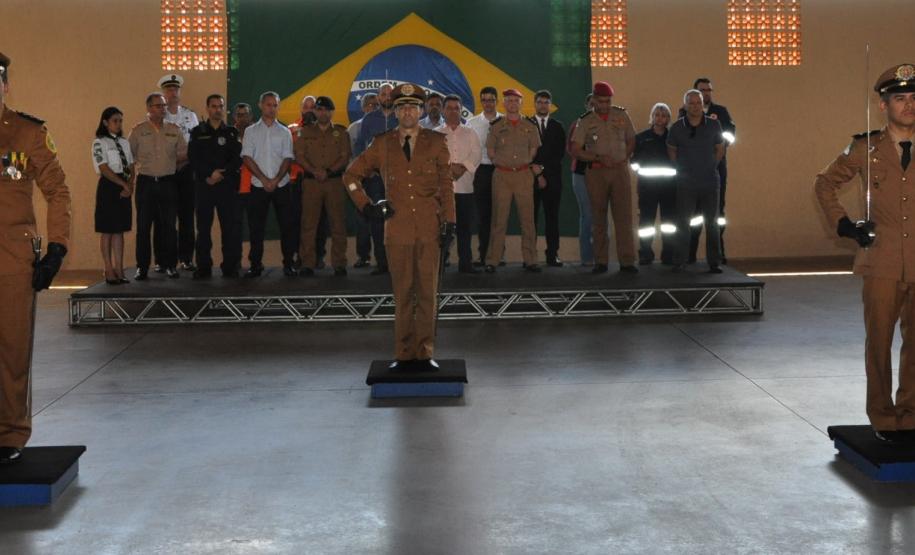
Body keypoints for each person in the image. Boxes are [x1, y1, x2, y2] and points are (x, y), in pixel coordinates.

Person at [814, 63, 915, 442]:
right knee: (879, 342)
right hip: (881, 260)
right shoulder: (865, 148)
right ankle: (884, 417)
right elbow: (824, 183)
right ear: (883, 105)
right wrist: (844, 224)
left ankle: (911, 415)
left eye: (914, 98)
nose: (909, 105)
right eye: (900, 98)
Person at [344, 83, 455, 370]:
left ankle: (425, 353)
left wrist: (450, 222)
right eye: (402, 107)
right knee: (403, 294)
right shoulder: (382, 144)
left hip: (429, 229)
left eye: (413, 107)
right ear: (395, 112)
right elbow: (351, 175)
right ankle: (404, 354)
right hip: (397, 230)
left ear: (421, 111)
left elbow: (446, 185)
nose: (408, 112)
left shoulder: (436, 142)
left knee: (427, 294)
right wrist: (367, 205)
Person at [0, 52, 72, 464]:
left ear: (5, 86)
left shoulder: (27, 133)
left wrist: (57, 248)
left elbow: (57, 191)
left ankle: (9, 434)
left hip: (12, 261)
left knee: (12, 350)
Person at [570, 81, 638, 274]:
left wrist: (625, 156)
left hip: (619, 172)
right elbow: (576, 149)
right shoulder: (585, 121)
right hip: (596, 173)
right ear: (593, 100)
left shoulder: (621, 115)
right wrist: (597, 157)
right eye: (601, 101)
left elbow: (632, 139)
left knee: (624, 217)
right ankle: (600, 261)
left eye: (608, 101)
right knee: (598, 218)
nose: (605, 105)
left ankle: (627, 261)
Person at [129, 92, 187, 279]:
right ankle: (142, 267)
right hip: (145, 183)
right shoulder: (138, 131)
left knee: (169, 226)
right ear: (149, 108)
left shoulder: (174, 129)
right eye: (158, 105)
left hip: (168, 182)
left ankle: (170, 265)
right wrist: (130, 181)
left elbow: (184, 154)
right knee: (143, 227)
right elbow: (129, 158)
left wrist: (171, 166)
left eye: (163, 105)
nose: (163, 108)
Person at [679, 77, 736, 264]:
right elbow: (679, 141)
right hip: (692, 171)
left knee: (717, 213)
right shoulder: (683, 112)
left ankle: (718, 254)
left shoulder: (721, 112)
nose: (705, 93)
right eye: (702, 90)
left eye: (708, 90)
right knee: (693, 213)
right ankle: (690, 254)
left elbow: (729, 136)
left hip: (715, 168)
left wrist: (715, 150)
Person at [667, 89, 725, 273]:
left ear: (703, 104)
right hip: (686, 183)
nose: (695, 106)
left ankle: (714, 262)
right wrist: (681, 168)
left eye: (698, 102)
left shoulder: (714, 125)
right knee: (682, 222)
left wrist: (712, 165)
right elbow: (671, 150)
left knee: (712, 223)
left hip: (710, 181)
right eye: (691, 103)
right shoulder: (677, 127)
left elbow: (720, 148)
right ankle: (679, 261)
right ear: (685, 105)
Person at [484, 89, 541, 273]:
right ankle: (493, 260)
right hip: (502, 176)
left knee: (528, 220)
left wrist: (523, 162)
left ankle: (531, 260)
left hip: (523, 175)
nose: (512, 104)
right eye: (509, 100)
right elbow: (491, 151)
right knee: (499, 220)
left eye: (516, 100)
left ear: (521, 103)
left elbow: (533, 149)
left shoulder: (530, 125)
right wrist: (503, 163)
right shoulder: (496, 125)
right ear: (504, 103)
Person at [294, 96, 351, 276]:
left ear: (332, 112)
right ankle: (307, 264)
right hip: (311, 183)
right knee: (308, 224)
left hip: (334, 182)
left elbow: (345, 157)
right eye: (319, 109)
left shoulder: (341, 132)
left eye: (326, 110)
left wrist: (328, 171)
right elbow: (299, 156)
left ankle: (339, 263)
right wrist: (314, 170)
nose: (323, 113)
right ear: (315, 111)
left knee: (338, 224)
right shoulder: (304, 132)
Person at [241, 91, 296, 277]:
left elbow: (288, 158)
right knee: (256, 228)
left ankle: (289, 264)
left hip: (282, 185)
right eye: (268, 105)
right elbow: (247, 157)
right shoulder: (250, 131)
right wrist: (265, 180)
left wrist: (275, 180)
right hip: (258, 185)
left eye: (275, 105)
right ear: (260, 105)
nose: (272, 108)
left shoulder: (285, 131)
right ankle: (256, 265)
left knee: (287, 226)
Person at [188, 94, 242, 279]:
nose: (218, 109)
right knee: (203, 229)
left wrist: (221, 174)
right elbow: (194, 158)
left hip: (226, 186)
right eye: (214, 106)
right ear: (207, 108)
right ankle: (203, 267)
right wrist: (209, 174)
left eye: (220, 106)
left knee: (229, 228)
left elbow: (237, 159)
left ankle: (230, 267)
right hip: (205, 186)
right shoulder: (197, 132)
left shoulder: (231, 132)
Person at [159, 73, 200, 271]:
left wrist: (182, 160)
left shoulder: (190, 116)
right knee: (165, 218)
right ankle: (165, 261)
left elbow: (196, 144)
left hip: (186, 171)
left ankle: (186, 258)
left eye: (175, 89)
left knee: (186, 216)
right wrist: (171, 161)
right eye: (169, 89)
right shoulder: (158, 116)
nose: (172, 92)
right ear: (163, 93)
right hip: (165, 171)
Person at [355, 83, 397, 275]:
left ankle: (398, 262)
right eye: (383, 94)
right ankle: (382, 263)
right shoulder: (369, 119)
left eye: (390, 94)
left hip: (398, 179)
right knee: (378, 221)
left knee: (398, 218)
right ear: (378, 97)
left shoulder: (402, 117)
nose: (387, 96)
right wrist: (367, 170)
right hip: (375, 180)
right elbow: (359, 147)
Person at [437, 94, 482, 273]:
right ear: (443, 110)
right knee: (442, 229)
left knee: (465, 228)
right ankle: (439, 263)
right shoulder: (436, 134)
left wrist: (462, 168)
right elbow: (432, 158)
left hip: (465, 188)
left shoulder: (470, 133)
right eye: (449, 108)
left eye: (456, 108)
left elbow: (476, 154)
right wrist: (449, 170)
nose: (453, 111)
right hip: (443, 190)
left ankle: (465, 263)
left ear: (461, 110)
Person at [91, 106, 134, 284]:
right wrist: (123, 184)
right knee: (107, 230)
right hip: (109, 186)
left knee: (119, 230)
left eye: (120, 121)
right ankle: (108, 269)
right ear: (105, 122)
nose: (118, 124)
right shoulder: (99, 142)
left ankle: (119, 269)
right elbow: (103, 168)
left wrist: (130, 185)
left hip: (125, 185)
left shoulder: (124, 142)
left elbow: (131, 165)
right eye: (115, 121)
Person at [632, 103, 677, 265]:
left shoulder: (673, 138)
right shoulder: (641, 138)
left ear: (668, 119)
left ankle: (668, 254)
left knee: (669, 223)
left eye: (664, 115)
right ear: (652, 117)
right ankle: (645, 253)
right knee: (646, 223)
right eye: (657, 114)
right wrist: (639, 171)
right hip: (647, 187)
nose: (660, 118)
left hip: (669, 187)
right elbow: (634, 161)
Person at [529, 89, 566, 267]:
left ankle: (552, 254)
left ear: (550, 105)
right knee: (530, 220)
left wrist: (542, 171)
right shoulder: (526, 124)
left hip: (553, 179)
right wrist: (536, 173)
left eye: (546, 102)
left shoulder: (557, 126)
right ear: (534, 104)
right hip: (530, 178)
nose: (543, 105)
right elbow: (524, 152)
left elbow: (559, 154)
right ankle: (530, 256)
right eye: (540, 102)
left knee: (552, 218)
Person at [467, 86, 502, 266]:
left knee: (500, 215)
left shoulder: (505, 121)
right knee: (483, 215)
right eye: (485, 100)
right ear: (481, 102)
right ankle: (483, 255)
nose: (488, 104)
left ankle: (498, 256)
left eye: (491, 100)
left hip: (501, 170)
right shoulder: (472, 123)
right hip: (481, 171)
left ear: (497, 101)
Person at [347, 92, 379, 268]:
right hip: (360, 179)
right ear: (363, 107)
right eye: (370, 105)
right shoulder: (353, 129)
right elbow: (351, 155)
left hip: (379, 179)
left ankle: (383, 258)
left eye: (376, 105)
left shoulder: (383, 124)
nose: (373, 108)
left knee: (381, 218)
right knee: (362, 218)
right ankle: (363, 256)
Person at [567, 93, 594, 265]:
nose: (594, 107)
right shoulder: (577, 124)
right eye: (591, 103)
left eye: (597, 103)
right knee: (587, 215)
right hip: (581, 174)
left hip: (603, 175)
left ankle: (602, 257)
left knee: (601, 216)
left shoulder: (607, 125)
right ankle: (587, 257)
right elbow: (571, 149)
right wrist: (589, 155)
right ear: (586, 105)